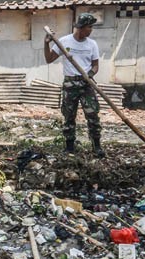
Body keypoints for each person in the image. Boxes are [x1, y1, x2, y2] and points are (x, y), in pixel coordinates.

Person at [44, 13, 104, 157]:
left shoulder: (92, 44)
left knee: (93, 115)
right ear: (81, 27)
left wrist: (90, 74)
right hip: (70, 84)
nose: (91, 30)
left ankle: (96, 146)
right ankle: (69, 147)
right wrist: (46, 43)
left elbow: (95, 66)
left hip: (86, 84)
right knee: (69, 116)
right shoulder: (64, 42)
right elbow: (49, 59)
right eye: (89, 27)